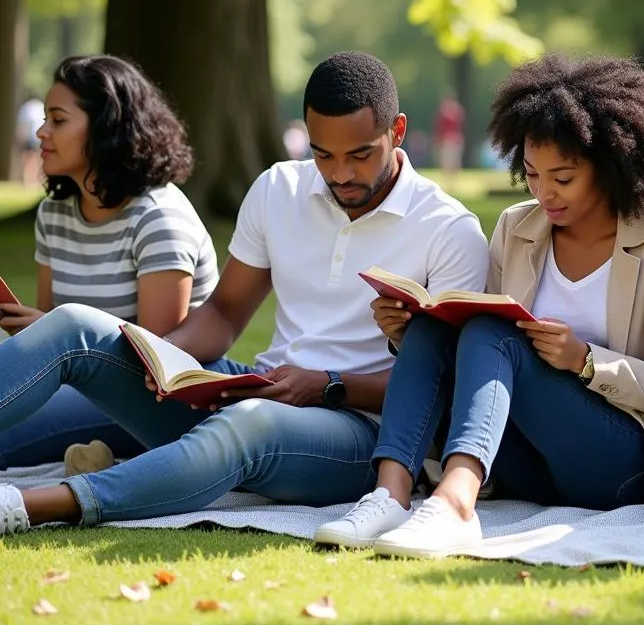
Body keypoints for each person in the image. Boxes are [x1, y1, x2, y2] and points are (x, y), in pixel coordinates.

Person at [0, 52, 489, 536]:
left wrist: (327, 384)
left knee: (253, 422)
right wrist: (166, 360)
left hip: (362, 433)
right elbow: (226, 311)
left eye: (360, 155)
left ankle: (29, 506)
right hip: (258, 385)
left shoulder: (448, 229)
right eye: (322, 154)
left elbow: (440, 385)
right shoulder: (278, 188)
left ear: (396, 132)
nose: (340, 174)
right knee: (74, 325)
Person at [314, 53, 644, 556]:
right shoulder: (517, 226)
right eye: (531, 173)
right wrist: (404, 330)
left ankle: (456, 504)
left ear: (613, 163)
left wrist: (587, 362)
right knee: (438, 327)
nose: (543, 192)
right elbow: (479, 354)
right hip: (532, 463)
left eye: (564, 177)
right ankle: (389, 495)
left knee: (494, 331)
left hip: (630, 465)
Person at [0, 55, 218, 472]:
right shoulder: (55, 213)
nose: (41, 132)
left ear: (106, 126)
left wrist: (55, 338)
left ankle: (110, 454)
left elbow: (156, 360)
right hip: (76, 387)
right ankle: (98, 454)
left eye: (58, 120)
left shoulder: (158, 216)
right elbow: (53, 322)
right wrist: (35, 328)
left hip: (151, 400)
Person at [14, 94, 45, 186]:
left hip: (30, 137)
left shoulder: (26, 107)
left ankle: (29, 181)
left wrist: (20, 137)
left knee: (28, 160)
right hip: (36, 138)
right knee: (34, 159)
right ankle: (31, 181)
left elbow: (22, 124)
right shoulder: (40, 106)